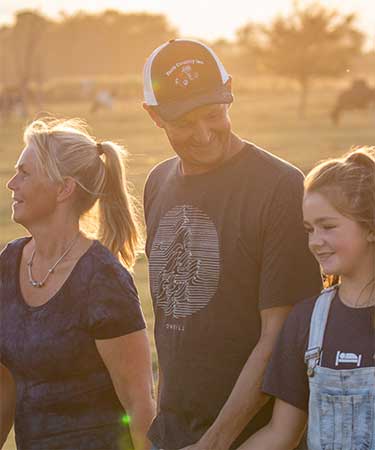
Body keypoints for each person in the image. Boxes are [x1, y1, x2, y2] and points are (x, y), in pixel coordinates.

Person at [142, 38, 322, 450]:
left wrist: (213, 443)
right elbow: (172, 315)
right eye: (184, 123)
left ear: (230, 90)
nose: (203, 134)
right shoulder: (157, 183)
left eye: (213, 114)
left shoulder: (279, 187)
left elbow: (278, 337)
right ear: (153, 115)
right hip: (171, 435)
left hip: (248, 438)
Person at [0, 118, 155, 450]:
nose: (12, 183)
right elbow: (6, 384)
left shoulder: (104, 281)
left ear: (64, 189)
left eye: (25, 173)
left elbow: (140, 407)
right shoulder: (9, 263)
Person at [239, 146, 375, 450]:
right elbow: (280, 434)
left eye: (328, 227)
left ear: (370, 228)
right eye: (309, 230)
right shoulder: (308, 320)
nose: (315, 242)